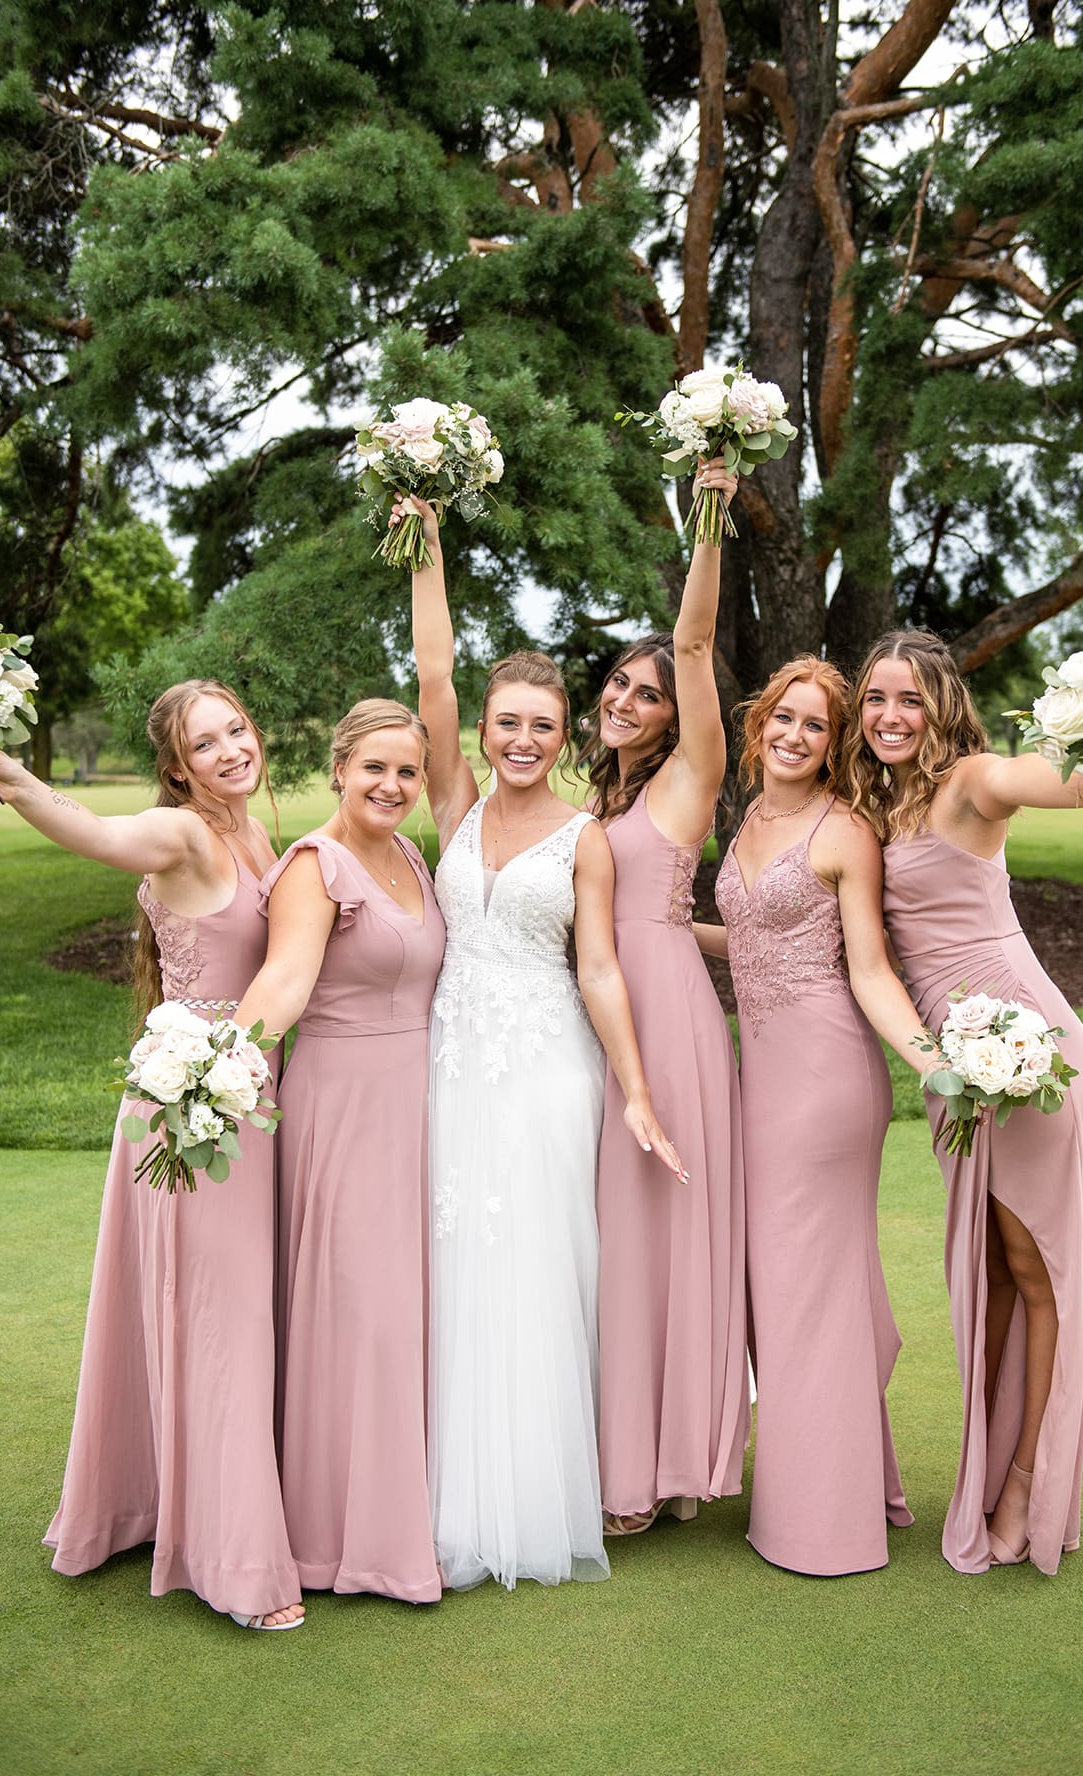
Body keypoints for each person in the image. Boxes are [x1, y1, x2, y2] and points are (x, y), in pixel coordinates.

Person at [0, 683, 304, 1630]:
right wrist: (2, 766)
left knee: (220, 1313)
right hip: (192, 1107)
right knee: (223, 1322)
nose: (232, 749)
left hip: (245, 1101)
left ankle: (153, 1505)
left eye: (238, 728)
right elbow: (90, 832)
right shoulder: (185, 835)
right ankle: (237, 1565)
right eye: (208, 744)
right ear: (178, 768)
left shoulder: (256, 837)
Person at [406, 494, 684, 1591]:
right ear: (481, 729)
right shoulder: (457, 808)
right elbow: (430, 672)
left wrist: (636, 1091)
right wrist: (426, 548)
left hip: (544, 1075)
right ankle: (436, 1489)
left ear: (564, 737)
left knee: (536, 1274)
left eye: (541, 725)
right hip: (452, 1066)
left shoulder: (588, 841)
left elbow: (602, 969)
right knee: (452, 1267)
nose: (522, 739)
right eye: (504, 721)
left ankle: (534, 1501)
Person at [839, 629, 1083, 1575]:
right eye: (875, 700)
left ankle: (1027, 1480)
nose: (889, 717)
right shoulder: (870, 804)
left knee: (1033, 1260)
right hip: (950, 1062)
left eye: (908, 700)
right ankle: (991, 1471)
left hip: (1029, 1049)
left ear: (942, 708)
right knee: (988, 1269)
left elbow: (1047, 781)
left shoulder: (972, 779)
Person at [696, 656, 934, 1576]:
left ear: (835, 746)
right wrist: (656, 929)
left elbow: (869, 968)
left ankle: (820, 1525)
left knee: (807, 1293)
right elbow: (751, 935)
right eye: (783, 720)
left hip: (828, 1080)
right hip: (764, 1080)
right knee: (790, 1285)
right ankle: (846, 1477)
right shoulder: (752, 816)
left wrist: (933, 1066)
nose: (795, 736)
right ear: (760, 727)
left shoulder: (845, 832)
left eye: (816, 726)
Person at [235, 699, 443, 1604]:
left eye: (407, 772)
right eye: (375, 770)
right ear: (339, 768)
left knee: (407, 1311)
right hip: (342, 1106)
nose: (392, 786)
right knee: (364, 1313)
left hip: (415, 1103)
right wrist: (216, 1063)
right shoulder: (314, 867)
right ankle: (338, 1540)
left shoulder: (412, 857)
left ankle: (404, 1513)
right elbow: (281, 982)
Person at [580, 460, 748, 1535]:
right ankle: (638, 1448)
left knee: (666, 1232)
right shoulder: (594, 793)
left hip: (673, 1028)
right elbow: (637, 913)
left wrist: (710, 516)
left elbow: (693, 642)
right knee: (614, 1237)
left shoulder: (692, 775)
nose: (627, 700)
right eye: (619, 685)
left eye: (647, 692)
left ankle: (669, 1465)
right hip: (600, 1021)